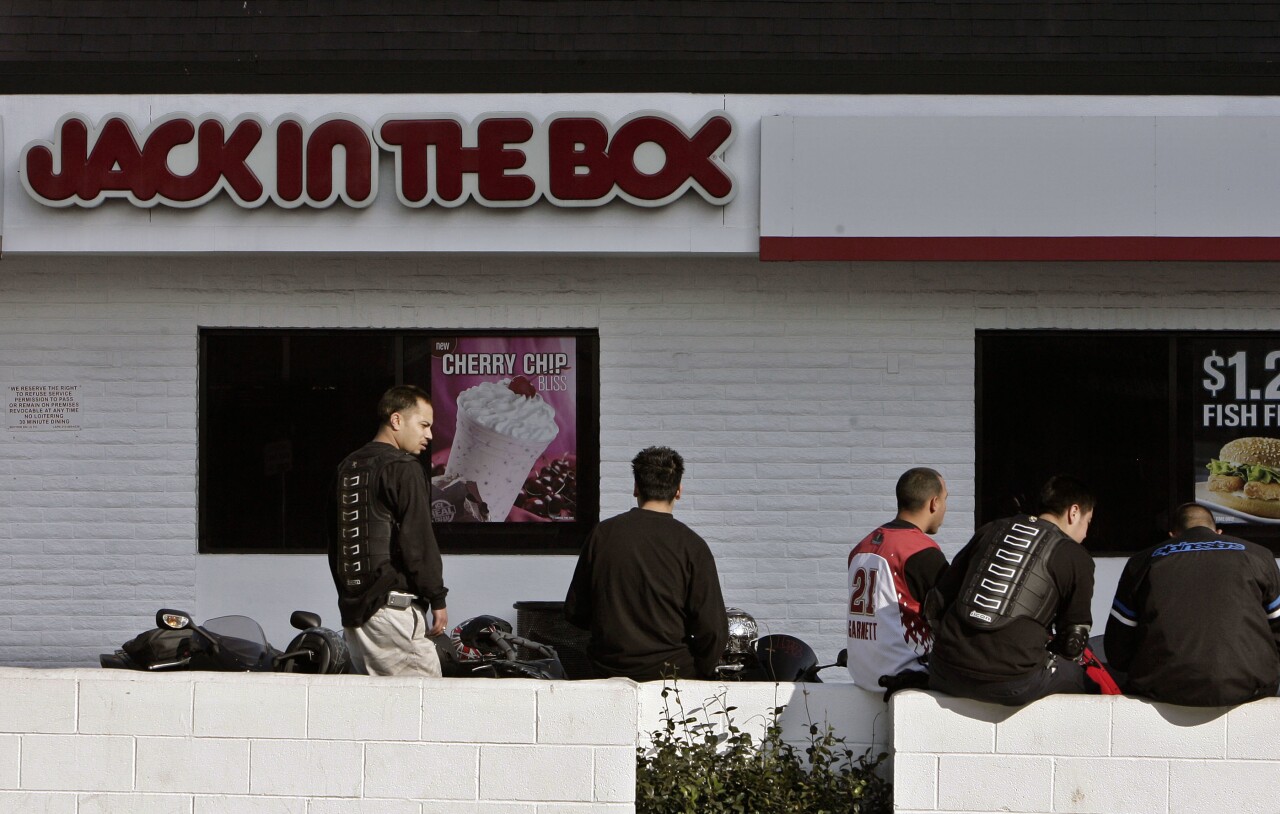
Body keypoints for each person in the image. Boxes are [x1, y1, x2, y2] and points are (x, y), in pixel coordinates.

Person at [926, 475, 1096, 705]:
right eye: (1088, 522)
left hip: (943, 672)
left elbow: (936, 602)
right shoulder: (1076, 557)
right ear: (1073, 512)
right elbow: (1073, 642)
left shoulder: (991, 529)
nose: (1086, 533)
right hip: (1014, 683)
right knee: (1083, 681)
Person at [564, 446, 728, 681]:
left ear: (636, 488)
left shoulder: (602, 535)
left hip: (607, 673)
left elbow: (575, 612)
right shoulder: (692, 546)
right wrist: (701, 672)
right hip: (673, 677)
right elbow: (713, 630)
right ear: (678, 491)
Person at [1104, 502, 1280, 706]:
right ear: (1219, 532)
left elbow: (1117, 650)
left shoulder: (1143, 561)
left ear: (1173, 535)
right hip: (1249, 687)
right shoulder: (1259, 556)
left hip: (1161, 687)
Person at [330, 384, 449, 676]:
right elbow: (418, 541)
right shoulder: (403, 468)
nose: (429, 435)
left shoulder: (347, 467)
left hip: (356, 618)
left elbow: (335, 543)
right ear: (396, 420)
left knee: (381, 713)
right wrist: (437, 598)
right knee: (425, 704)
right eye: (423, 425)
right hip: (392, 613)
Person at [846, 467, 949, 690]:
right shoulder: (920, 551)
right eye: (945, 499)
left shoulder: (862, 547)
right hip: (906, 675)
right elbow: (950, 616)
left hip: (863, 676)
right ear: (934, 503)